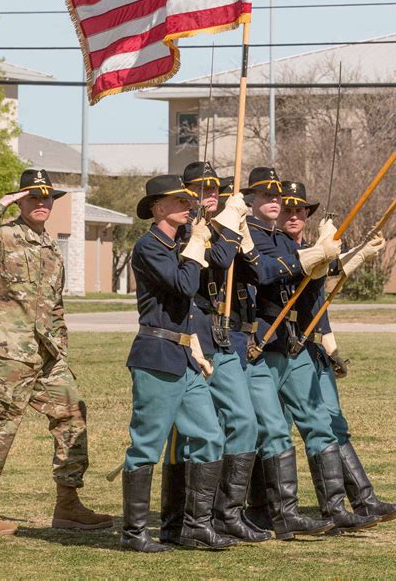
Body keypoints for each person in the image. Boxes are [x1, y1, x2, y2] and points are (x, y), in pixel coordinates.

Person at [0, 169, 112, 536]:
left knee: (72, 413)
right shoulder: (4, 236)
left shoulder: (49, 245)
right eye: (33, 197)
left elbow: (53, 304)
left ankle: (68, 504)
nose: (42, 203)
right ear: (20, 200)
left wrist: (60, 347)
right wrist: (1, 204)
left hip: (45, 354)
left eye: (47, 198)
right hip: (5, 351)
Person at [241, 167, 380, 537]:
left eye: (295, 207)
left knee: (320, 423)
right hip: (264, 345)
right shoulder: (251, 235)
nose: (288, 212)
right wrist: (320, 254)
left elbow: (316, 279)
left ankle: (334, 507)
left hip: (293, 344)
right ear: (251, 201)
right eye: (276, 202)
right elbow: (269, 272)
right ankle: (272, 512)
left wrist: (347, 255)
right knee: (271, 430)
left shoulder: (280, 237)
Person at [277, 179, 396, 525]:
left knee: (334, 423)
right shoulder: (279, 249)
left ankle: (362, 500)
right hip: (282, 349)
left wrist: (331, 345)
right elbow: (313, 272)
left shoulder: (308, 246)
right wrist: (332, 252)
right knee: (297, 428)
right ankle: (326, 508)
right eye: (287, 209)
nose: (293, 215)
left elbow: (323, 292)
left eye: (299, 209)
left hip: (311, 346)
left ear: (307, 214)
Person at [122, 174, 236, 552]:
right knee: (147, 445)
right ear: (158, 208)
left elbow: (212, 269)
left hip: (186, 356)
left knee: (209, 434)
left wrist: (214, 234)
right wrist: (195, 245)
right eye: (179, 201)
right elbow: (185, 285)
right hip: (157, 355)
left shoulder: (179, 243)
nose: (189, 205)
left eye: (189, 200)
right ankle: (135, 533)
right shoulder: (150, 247)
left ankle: (196, 526)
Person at [160, 163, 270, 546]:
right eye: (199, 189)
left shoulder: (228, 223)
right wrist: (226, 226)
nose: (208, 195)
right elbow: (215, 260)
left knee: (243, 419)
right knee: (185, 435)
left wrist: (239, 229)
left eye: (214, 189)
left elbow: (256, 273)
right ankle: (178, 520)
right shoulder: (179, 231)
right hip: (187, 338)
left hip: (221, 339)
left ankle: (227, 514)